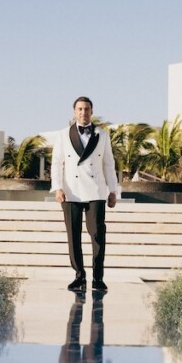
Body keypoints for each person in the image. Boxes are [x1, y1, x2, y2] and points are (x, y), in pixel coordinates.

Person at [51, 96, 119, 293]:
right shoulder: (63, 135)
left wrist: (113, 190)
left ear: (92, 111)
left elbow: (109, 164)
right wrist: (57, 187)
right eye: (80, 109)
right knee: (73, 236)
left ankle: (98, 278)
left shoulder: (102, 134)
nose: (83, 112)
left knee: (97, 234)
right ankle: (79, 276)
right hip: (70, 191)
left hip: (95, 191)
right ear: (74, 112)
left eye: (87, 109)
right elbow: (57, 163)